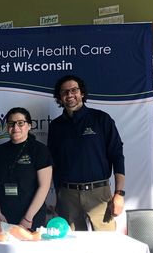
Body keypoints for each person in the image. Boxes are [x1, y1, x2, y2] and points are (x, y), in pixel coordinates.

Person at [47, 75, 125, 231]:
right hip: (67, 196)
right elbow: (53, 163)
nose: (69, 95)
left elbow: (117, 155)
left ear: (82, 93)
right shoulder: (55, 126)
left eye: (74, 90)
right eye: (64, 92)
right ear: (60, 97)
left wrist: (119, 193)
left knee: (106, 242)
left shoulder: (101, 119)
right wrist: (58, 196)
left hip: (99, 194)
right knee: (71, 242)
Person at [0, 107, 53, 231]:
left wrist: (28, 218)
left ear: (29, 126)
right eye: (11, 123)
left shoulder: (40, 150)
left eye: (20, 123)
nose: (15, 127)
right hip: (3, 217)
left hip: (31, 217)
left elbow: (44, 187)